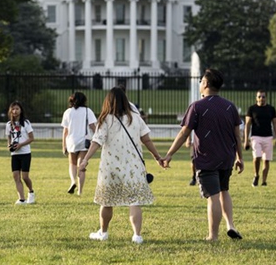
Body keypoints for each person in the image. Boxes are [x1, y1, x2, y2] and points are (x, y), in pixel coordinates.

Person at [160, 68, 244, 242]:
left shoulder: (197, 106)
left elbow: (184, 133)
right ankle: (231, 225)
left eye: (201, 81)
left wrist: (169, 154)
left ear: (205, 83)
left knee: (213, 196)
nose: (199, 83)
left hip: (207, 158)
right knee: (224, 190)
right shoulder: (230, 106)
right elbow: (238, 135)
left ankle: (213, 236)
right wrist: (239, 157)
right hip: (227, 157)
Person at [78, 87, 162, 244]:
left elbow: (97, 141)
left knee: (107, 201)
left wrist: (85, 159)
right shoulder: (136, 118)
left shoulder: (105, 119)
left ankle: (103, 232)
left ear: (108, 101)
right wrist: (157, 157)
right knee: (134, 201)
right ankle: (137, 235)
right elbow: (147, 140)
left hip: (111, 166)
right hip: (133, 166)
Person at [243, 90, 276, 187]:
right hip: (256, 136)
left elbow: (275, 123)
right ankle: (256, 175)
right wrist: (246, 140)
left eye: (263, 97)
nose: (261, 99)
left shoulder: (271, 109)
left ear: (266, 98)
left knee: (266, 160)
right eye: (259, 97)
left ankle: (264, 181)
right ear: (256, 98)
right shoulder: (252, 109)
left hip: (268, 137)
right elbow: (247, 124)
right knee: (257, 157)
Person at [61, 92, 96, 195]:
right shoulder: (87, 111)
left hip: (71, 141)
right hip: (84, 141)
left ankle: (73, 181)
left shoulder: (68, 112)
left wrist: (63, 145)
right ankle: (80, 191)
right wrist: (99, 136)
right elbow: (92, 126)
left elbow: (65, 131)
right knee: (81, 165)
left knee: (72, 163)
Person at [6, 100, 35, 205]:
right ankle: (21, 199)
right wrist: (9, 145)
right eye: (13, 109)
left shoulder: (26, 123)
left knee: (25, 177)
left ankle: (31, 192)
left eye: (17, 109)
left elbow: (32, 138)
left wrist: (21, 145)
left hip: (25, 154)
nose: (15, 111)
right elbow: (9, 137)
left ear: (21, 110)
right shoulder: (9, 124)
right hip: (15, 155)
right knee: (15, 176)